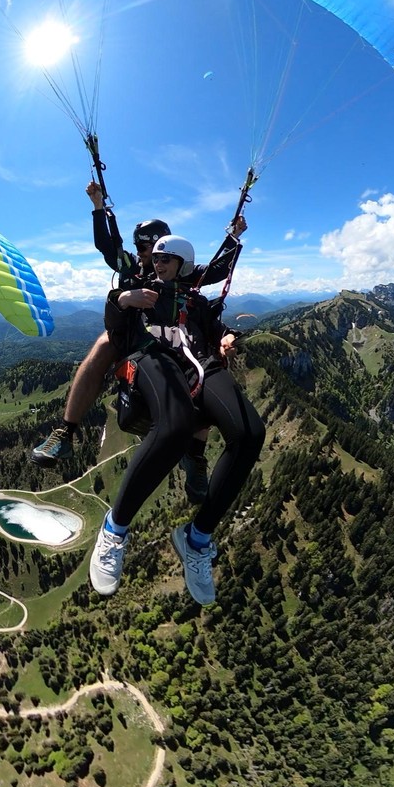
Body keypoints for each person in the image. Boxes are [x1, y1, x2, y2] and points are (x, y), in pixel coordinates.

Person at [31, 181, 244, 502]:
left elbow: (217, 270)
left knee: (204, 365)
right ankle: (65, 432)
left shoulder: (179, 270)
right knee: (103, 345)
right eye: (142, 248)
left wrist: (233, 237)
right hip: (134, 337)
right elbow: (107, 247)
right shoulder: (132, 267)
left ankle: (195, 456)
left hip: (173, 340)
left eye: (148, 247)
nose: (146, 254)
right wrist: (98, 208)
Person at [88, 234, 265, 605]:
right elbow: (115, 323)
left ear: (182, 264)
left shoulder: (197, 302)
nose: (158, 264)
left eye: (166, 259)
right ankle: (114, 529)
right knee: (175, 426)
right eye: (156, 259)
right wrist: (124, 299)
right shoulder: (143, 290)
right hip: (151, 357)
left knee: (250, 434)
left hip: (201, 364)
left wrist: (227, 337)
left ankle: (196, 538)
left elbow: (214, 327)